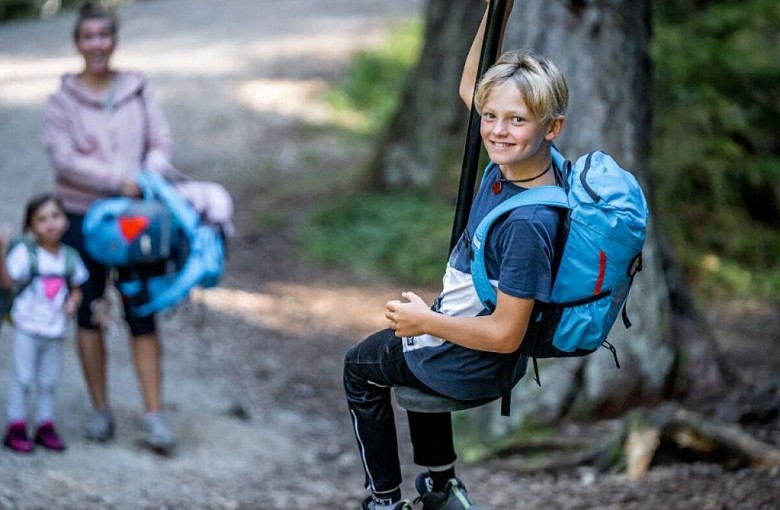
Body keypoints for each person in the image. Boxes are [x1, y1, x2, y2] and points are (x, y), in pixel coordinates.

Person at [343, 1, 569, 508]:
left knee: (360, 367)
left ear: (552, 127)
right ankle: (442, 488)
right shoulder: (531, 162)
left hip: (471, 359)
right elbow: (473, 86)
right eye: (491, 116)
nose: (495, 130)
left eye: (516, 120)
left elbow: (506, 333)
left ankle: (384, 501)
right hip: (459, 336)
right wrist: (497, 10)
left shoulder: (529, 224)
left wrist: (427, 321)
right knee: (412, 347)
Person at [42, 1, 179, 452]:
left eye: (104, 35)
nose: (97, 44)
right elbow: (64, 159)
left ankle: (155, 417)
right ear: (78, 43)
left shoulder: (138, 89)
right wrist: (117, 180)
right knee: (88, 311)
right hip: (82, 217)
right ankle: (101, 411)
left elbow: (160, 141)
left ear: (114, 40)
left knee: (143, 313)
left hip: (136, 220)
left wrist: (148, 175)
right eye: (88, 36)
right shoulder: (61, 101)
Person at [1, 194, 88, 453]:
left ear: (65, 220)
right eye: (41, 219)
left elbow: (76, 286)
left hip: (55, 328)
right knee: (23, 377)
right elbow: (7, 283)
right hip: (27, 326)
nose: (50, 224)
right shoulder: (25, 255)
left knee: (49, 379)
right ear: (30, 226)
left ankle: (44, 425)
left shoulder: (70, 258)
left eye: (55, 216)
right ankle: (15, 426)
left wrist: (73, 302)